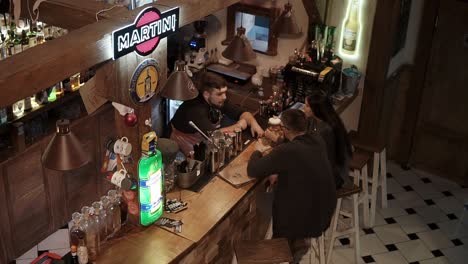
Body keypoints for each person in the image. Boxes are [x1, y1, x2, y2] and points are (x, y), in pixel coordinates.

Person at [247, 109, 337, 263]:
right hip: (324, 212)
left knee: (263, 203)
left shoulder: (287, 151)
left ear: (286, 130)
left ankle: (284, 251)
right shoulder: (317, 139)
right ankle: (294, 247)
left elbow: (253, 169)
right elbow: (297, 161)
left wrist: (257, 151)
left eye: (282, 127)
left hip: (302, 222)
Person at [170, 72, 264, 156]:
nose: (224, 97)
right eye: (219, 94)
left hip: (205, 135)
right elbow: (213, 135)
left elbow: (242, 113)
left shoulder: (219, 100)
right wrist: (238, 126)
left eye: (225, 92)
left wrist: (254, 124)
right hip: (185, 140)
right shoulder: (195, 109)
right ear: (206, 94)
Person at [304, 90, 353, 189]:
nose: (303, 108)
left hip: (332, 176)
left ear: (316, 109)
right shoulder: (315, 120)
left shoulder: (325, 130)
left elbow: (325, 161)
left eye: (307, 106)